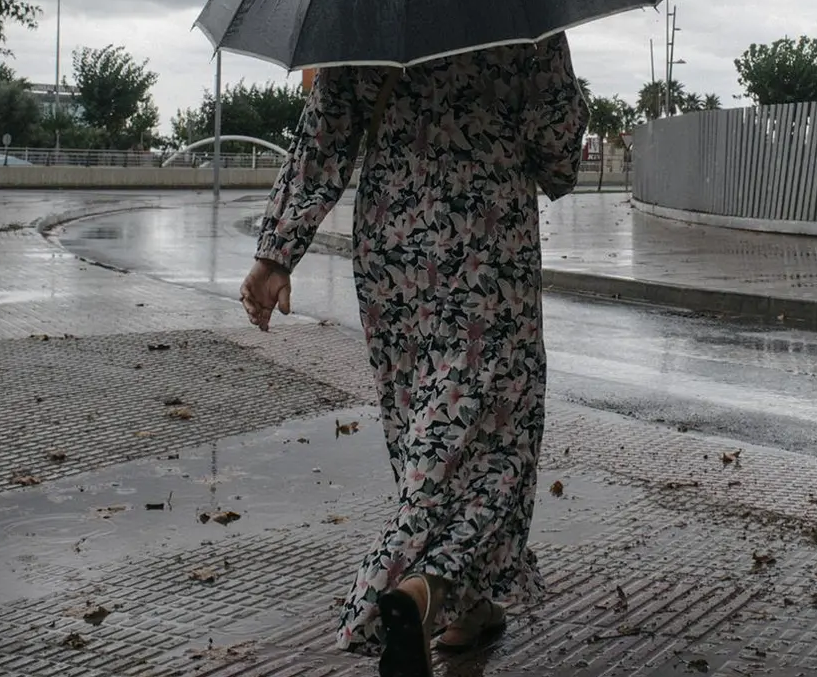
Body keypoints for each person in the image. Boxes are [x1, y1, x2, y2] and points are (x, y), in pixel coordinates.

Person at [239, 33, 588, 674]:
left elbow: (325, 136)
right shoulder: (518, 2)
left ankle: (470, 608)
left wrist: (275, 253)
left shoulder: (365, 4)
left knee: (423, 427)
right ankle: (409, 590)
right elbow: (559, 154)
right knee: (495, 440)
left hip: (393, 244)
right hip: (487, 240)